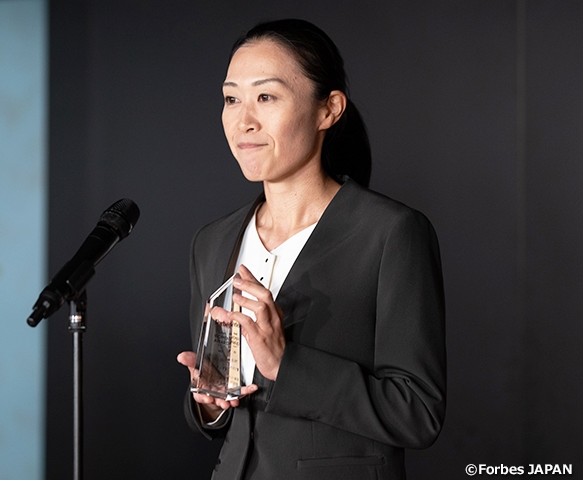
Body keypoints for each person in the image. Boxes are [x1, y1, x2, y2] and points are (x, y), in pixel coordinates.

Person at [177, 18, 445, 480]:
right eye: (231, 98)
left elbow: (417, 412)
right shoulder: (213, 241)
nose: (244, 120)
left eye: (266, 97)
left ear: (329, 110)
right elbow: (224, 412)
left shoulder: (390, 234)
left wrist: (286, 365)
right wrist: (208, 401)